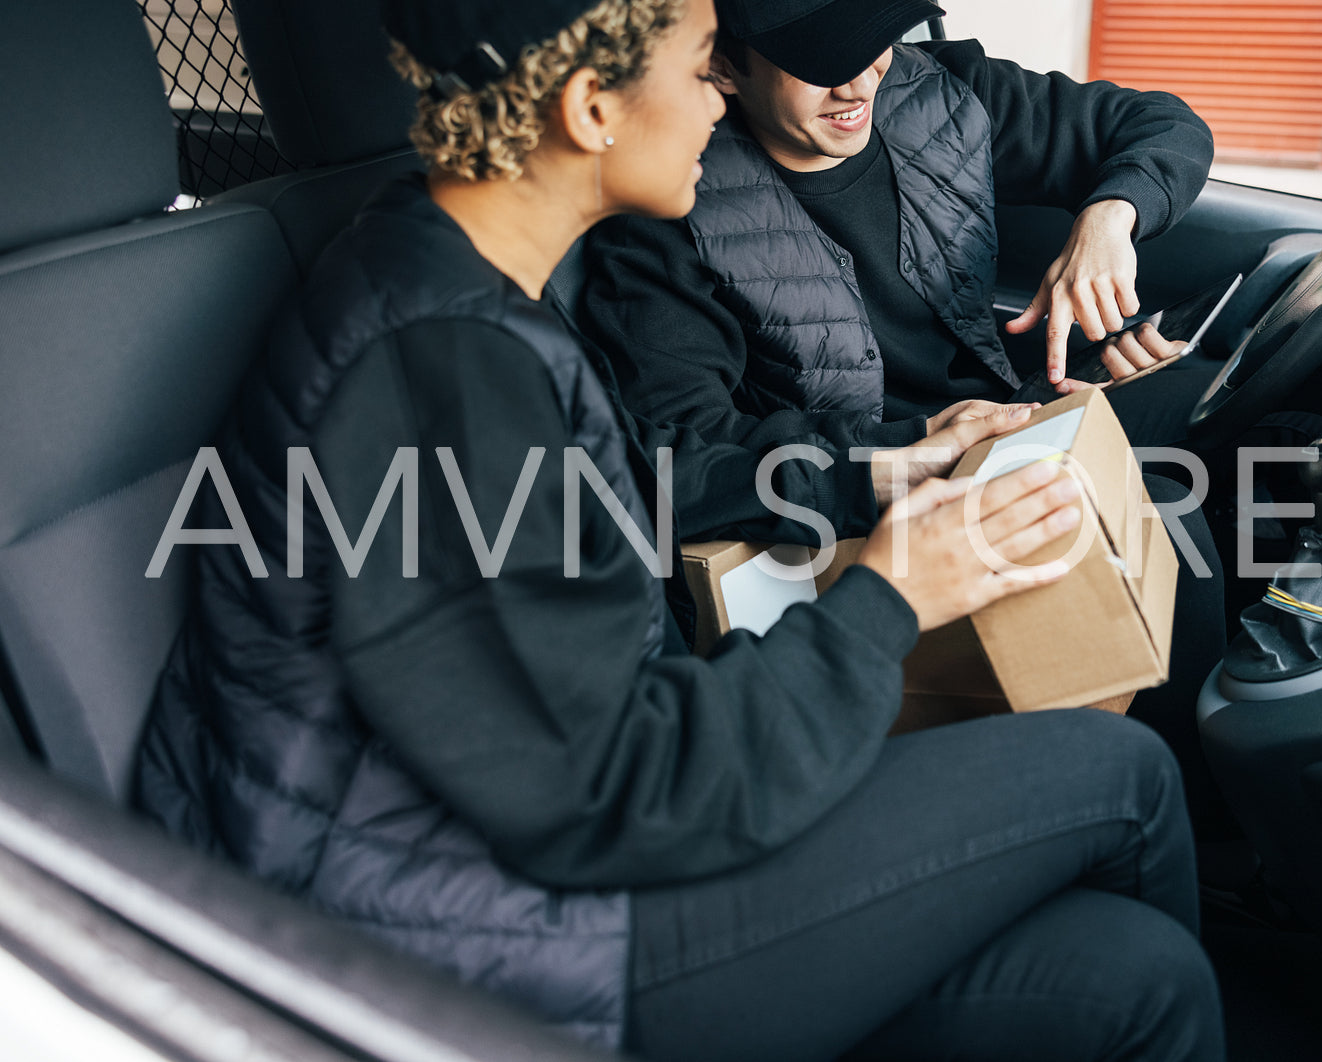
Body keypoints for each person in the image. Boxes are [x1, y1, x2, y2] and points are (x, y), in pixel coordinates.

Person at [134, 0, 1225, 1059]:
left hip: (550, 828)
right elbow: (618, 791)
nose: (719, 93)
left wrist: (879, 487)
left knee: (1130, 976)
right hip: (478, 931)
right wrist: (890, 595)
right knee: (1120, 775)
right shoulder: (442, 367)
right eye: (704, 60)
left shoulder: (451, 277)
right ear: (592, 108)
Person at [580, 0, 1219, 453]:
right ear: (722, 67)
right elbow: (689, 444)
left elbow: (1162, 123)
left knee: (1246, 415)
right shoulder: (667, 206)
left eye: (872, 40)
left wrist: (1110, 217)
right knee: (1166, 503)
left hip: (1008, 418)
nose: (861, 83)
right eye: (823, 62)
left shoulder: (941, 92)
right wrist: (914, 449)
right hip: (875, 497)